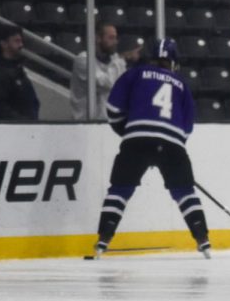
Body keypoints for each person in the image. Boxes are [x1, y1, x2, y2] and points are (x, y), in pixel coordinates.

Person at [93, 38, 210, 258]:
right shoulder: (181, 84)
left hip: (137, 139)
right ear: (173, 61)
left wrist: (128, 131)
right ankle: (203, 240)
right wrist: (172, 145)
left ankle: (103, 240)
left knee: (119, 190)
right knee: (185, 193)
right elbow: (187, 127)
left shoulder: (134, 74)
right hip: (172, 143)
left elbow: (113, 108)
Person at [70, 21, 126, 120]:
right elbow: (106, 83)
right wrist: (121, 60)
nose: (115, 42)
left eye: (115, 38)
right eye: (111, 37)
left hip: (109, 123)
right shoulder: (83, 60)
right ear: (98, 38)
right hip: (85, 124)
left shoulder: (115, 60)